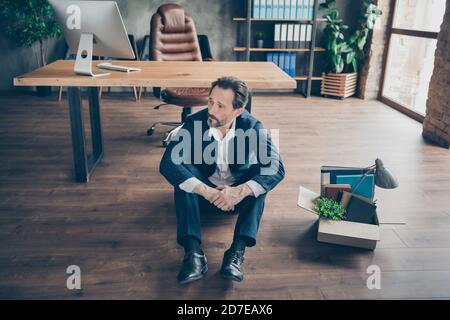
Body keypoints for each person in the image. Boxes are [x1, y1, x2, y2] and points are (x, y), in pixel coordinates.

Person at [159, 76, 285, 284]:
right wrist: (207, 191)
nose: (211, 110)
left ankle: (236, 253)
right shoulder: (194, 123)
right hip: (202, 196)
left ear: (237, 111)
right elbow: (167, 164)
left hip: (236, 198)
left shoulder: (252, 126)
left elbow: (276, 167)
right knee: (182, 173)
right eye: (210, 101)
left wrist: (239, 192)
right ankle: (193, 253)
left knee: (260, 179)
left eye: (220, 106)